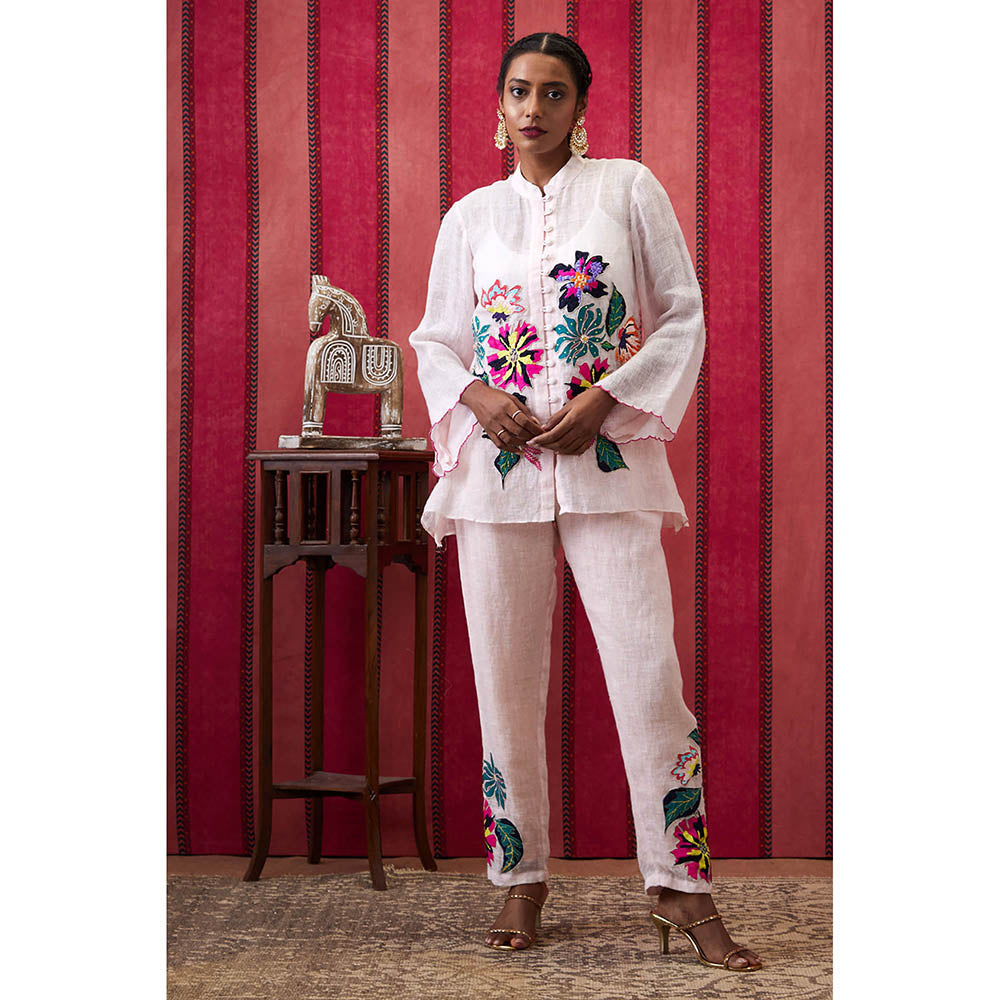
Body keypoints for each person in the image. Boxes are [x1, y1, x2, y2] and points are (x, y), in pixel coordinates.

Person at [408, 31, 762, 973]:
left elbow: (682, 314)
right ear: (499, 106)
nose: (535, 108)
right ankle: (519, 877)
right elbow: (436, 340)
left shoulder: (628, 191)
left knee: (649, 680)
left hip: (609, 469)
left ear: (580, 106)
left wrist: (606, 397)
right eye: (520, 91)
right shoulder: (470, 217)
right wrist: (479, 398)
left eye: (554, 92)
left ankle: (679, 885)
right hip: (497, 479)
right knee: (505, 684)